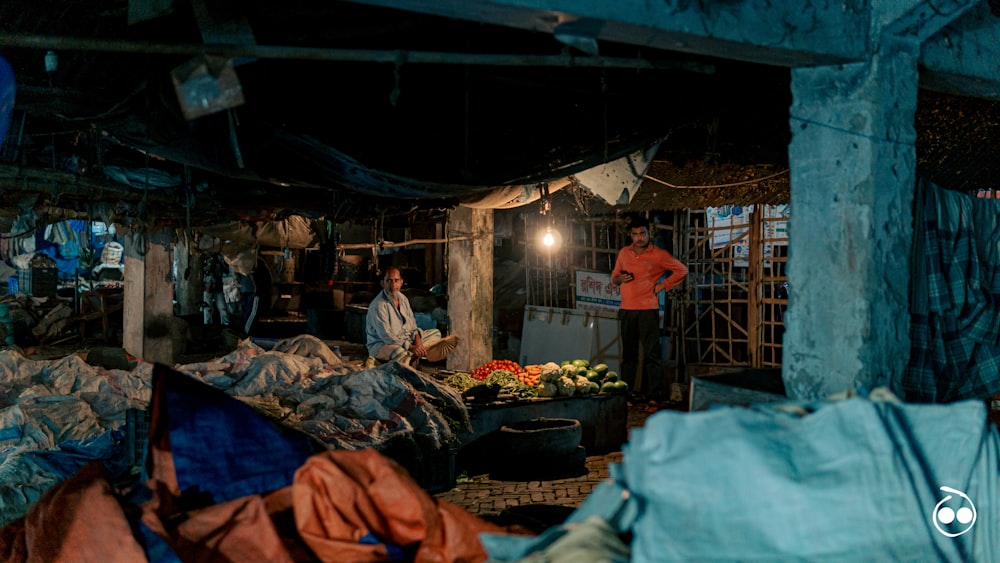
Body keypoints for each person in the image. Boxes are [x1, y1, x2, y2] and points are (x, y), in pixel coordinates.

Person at [612, 217, 688, 403]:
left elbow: (682, 270)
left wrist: (663, 286)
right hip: (627, 309)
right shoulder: (624, 252)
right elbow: (614, 275)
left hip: (647, 309)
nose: (639, 238)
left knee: (651, 354)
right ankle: (626, 393)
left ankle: (653, 394)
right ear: (631, 235)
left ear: (649, 233)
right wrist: (619, 279)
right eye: (635, 234)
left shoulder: (659, 255)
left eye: (642, 233)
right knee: (628, 355)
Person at [365, 267, 460, 367]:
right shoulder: (379, 305)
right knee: (400, 353)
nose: (393, 284)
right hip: (383, 344)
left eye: (396, 280)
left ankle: (417, 352)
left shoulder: (403, 299)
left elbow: (412, 325)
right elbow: (387, 336)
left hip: (405, 340)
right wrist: (410, 346)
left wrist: (418, 342)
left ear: (401, 282)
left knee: (436, 333)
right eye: (389, 281)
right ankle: (413, 356)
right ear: (383, 283)